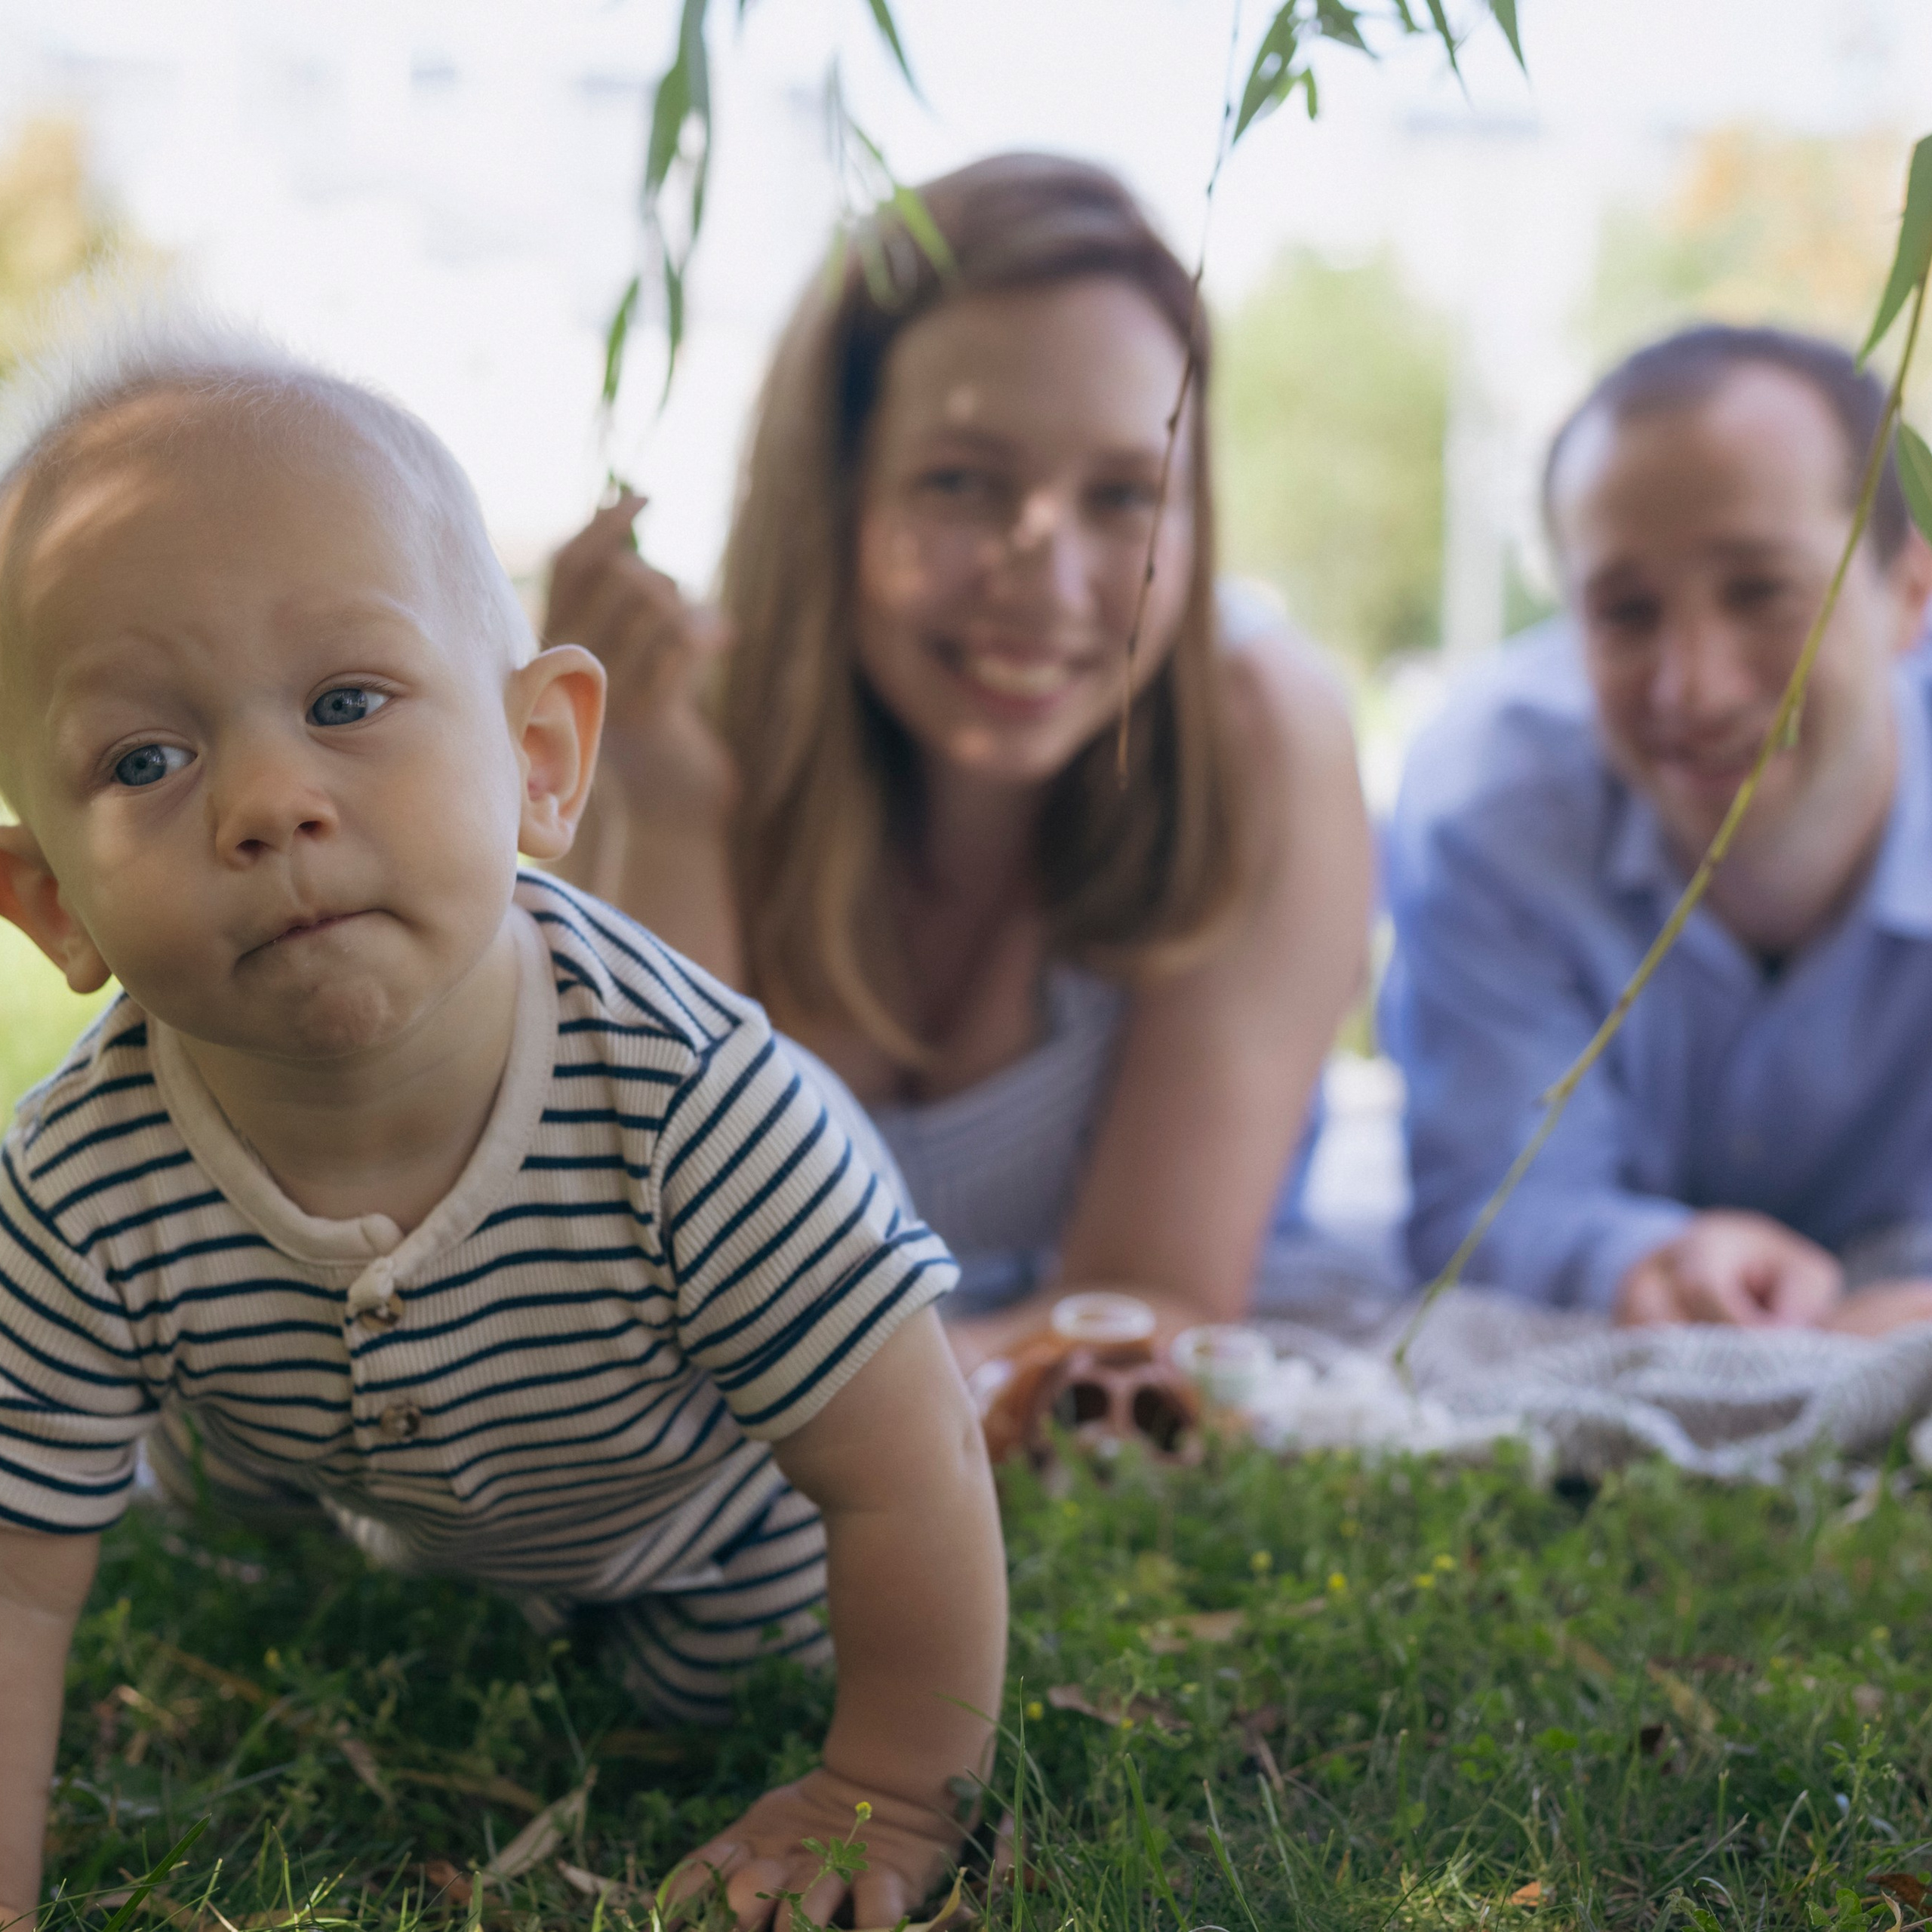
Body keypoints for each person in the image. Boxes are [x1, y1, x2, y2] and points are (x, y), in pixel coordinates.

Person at [0, 321, 1005, 1930]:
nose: (267, 800)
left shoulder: (692, 1104)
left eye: (346, 696)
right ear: (52, 901)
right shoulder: (71, 1187)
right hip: (323, 1477)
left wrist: (878, 1789)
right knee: (207, 1525)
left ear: (540, 759)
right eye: (146, 756)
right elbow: (13, 1576)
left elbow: (908, 1467)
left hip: (696, 1520)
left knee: (709, 1676)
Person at [546, 154, 1375, 1371]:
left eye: (1124, 495)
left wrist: (811, 1410)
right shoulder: (681, 728)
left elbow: (1148, 1306)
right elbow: (640, 1287)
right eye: (960, 482)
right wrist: (663, 816)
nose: (1046, 574)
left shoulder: (1263, 736)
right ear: (827, 494)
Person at [1383, 323, 1932, 1331]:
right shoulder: (1487, 804)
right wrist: (1652, 1263)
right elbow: (1487, 1203)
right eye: (1626, 612)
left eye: (1761, 590)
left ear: (1910, 595)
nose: (1694, 687)